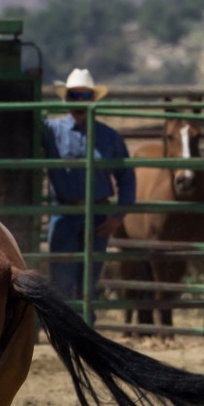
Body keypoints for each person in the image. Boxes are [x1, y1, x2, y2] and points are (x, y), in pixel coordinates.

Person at [42, 67, 136, 308]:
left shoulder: (109, 137)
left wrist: (118, 216)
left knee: (89, 282)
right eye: (75, 96)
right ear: (66, 98)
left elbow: (127, 177)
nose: (80, 102)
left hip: (97, 216)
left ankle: (86, 329)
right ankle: (67, 332)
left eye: (85, 96)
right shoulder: (51, 131)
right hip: (65, 212)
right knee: (61, 282)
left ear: (93, 99)